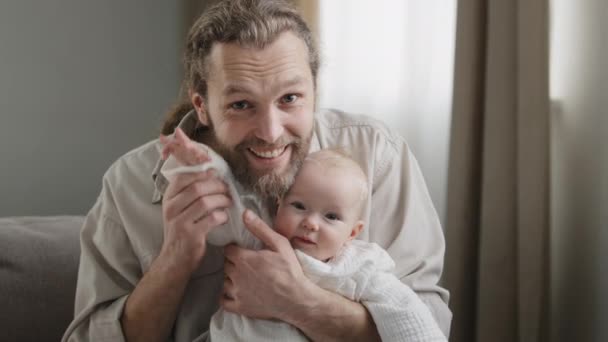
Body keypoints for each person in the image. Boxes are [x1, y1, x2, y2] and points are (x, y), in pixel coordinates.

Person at [62, 0, 451, 341]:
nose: (270, 132)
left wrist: (298, 303)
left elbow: (429, 325)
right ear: (202, 104)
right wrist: (176, 258)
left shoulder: (377, 156)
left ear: (314, 89)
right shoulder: (129, 183)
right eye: (241, 105)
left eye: (290, 99)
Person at [159, 132, 448, 341]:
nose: (311, 223)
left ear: (353, 232)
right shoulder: (262, 239)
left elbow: (407, 316)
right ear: (279, 204)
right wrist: (198, 164)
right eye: (299, 206)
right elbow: (229, 205)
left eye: (331, 217)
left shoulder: (360, 268)